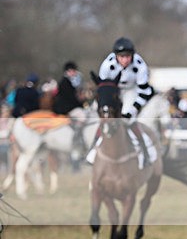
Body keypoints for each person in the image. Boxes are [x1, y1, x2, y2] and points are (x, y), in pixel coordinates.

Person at [95, 37, 156, 167]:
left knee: (128, 120)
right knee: (105, 119)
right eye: (121, 56)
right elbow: (103, 88)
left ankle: (144, 152)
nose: (125, 60)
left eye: (128, 56)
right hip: (113, 91)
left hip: (131, 91)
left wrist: (133, 110)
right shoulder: (107, 65)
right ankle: (93, 150)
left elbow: (144, 92)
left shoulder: (140, 66)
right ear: (116, 56)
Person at [53, 61, 88, 162]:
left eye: (74, 70)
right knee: (83, 116)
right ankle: (77, 137)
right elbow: (71, 99)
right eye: (71, 71)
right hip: (66, 109)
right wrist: (81, 103)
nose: (73, 72)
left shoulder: (71, 82)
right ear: (67, 71)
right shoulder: (65, 82)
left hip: (70, 107)